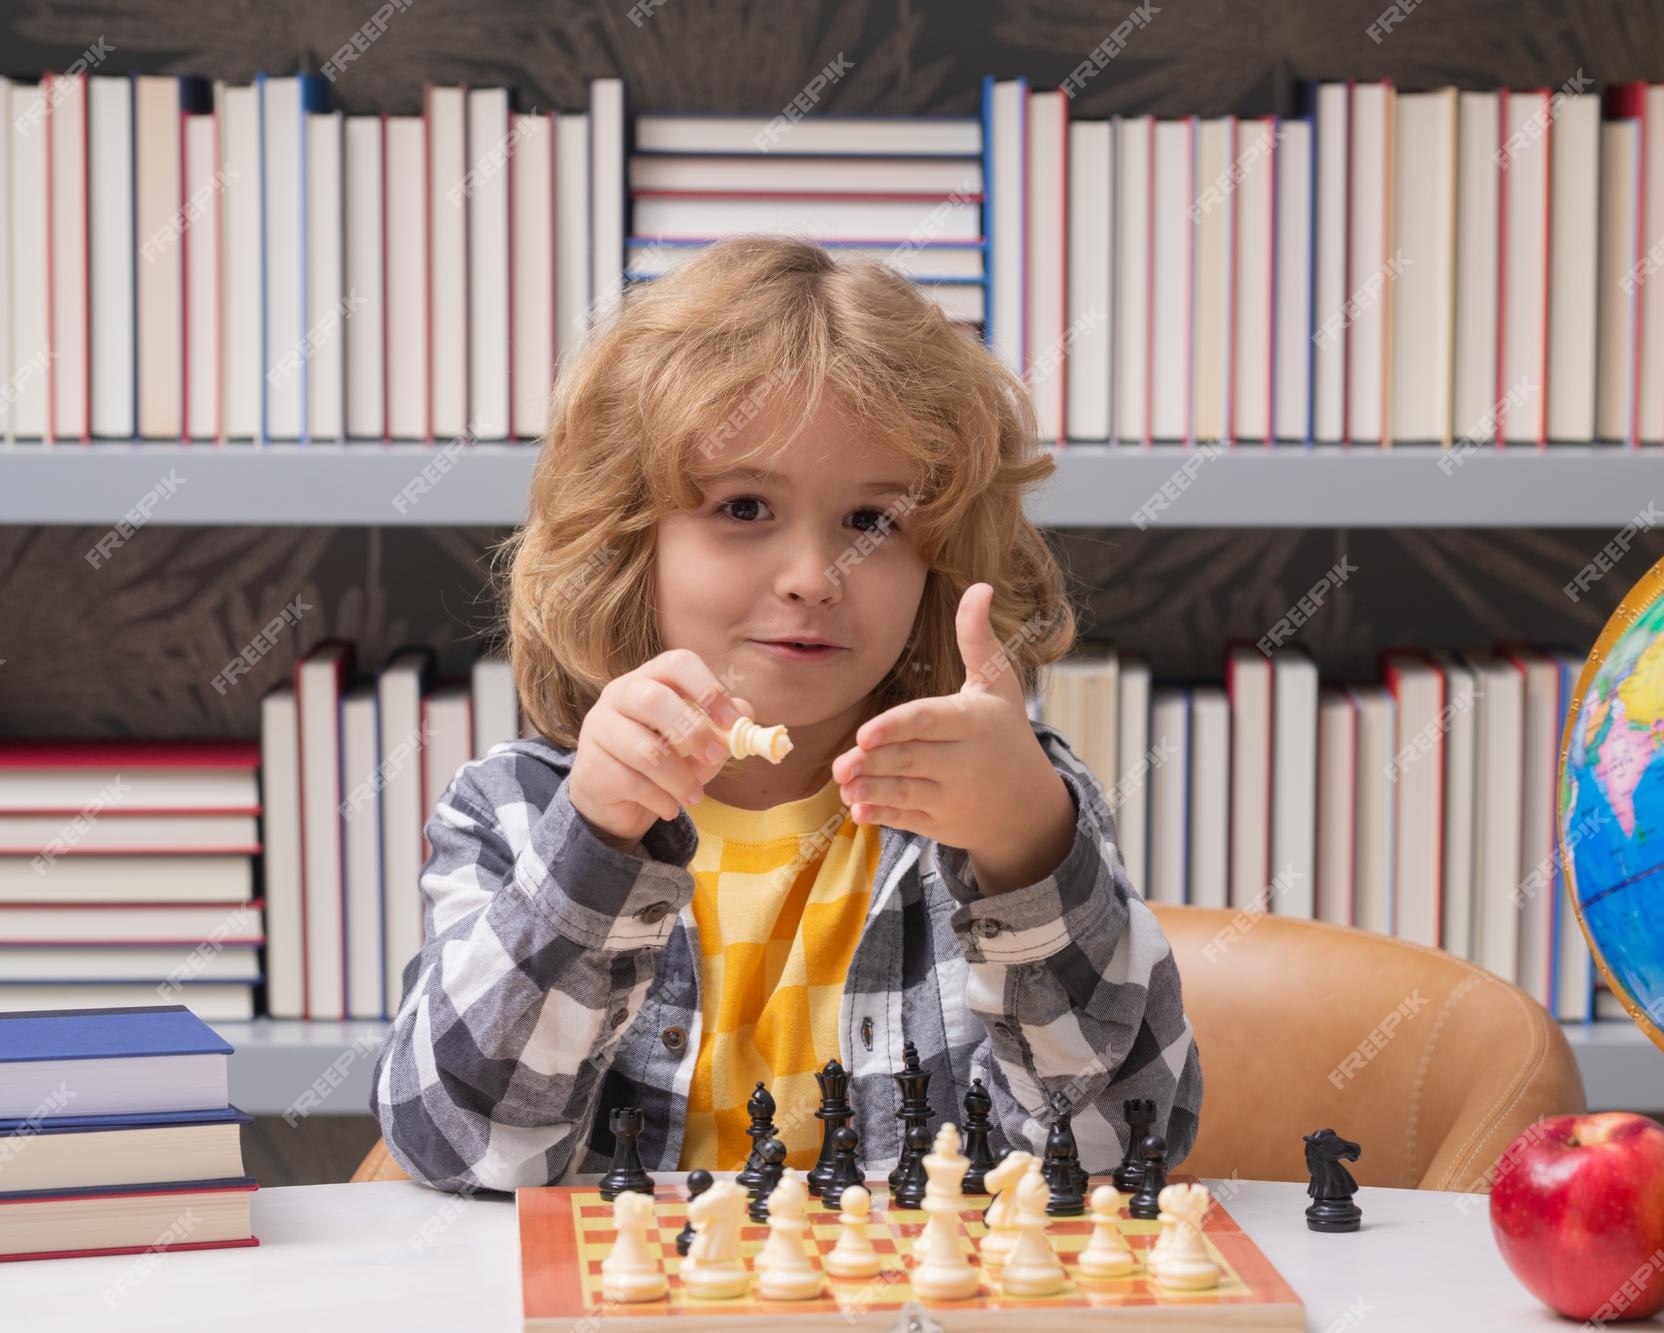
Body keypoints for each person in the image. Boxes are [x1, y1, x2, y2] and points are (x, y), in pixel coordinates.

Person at [370, 234, 1202, 1191]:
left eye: (872, 522)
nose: (814, 579)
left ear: (939, 558)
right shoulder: (514, 809)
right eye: (744, 507)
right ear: (629, 538)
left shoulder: (1014, 803)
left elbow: (1116, 1152)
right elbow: (465, 1150)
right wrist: (593, 848)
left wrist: (1028, 854)